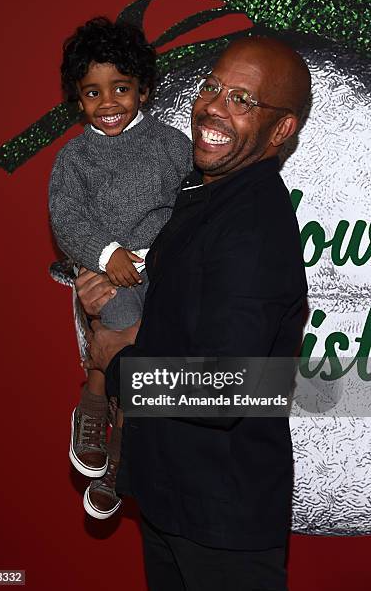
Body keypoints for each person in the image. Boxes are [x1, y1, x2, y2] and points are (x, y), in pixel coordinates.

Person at [76, 36, 311, 590]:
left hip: (220, 524)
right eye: (212, 88)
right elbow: (185, 321)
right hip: (178, 499)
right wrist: (114, 295)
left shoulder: (251, 225)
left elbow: (229, 388)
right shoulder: (206, 195)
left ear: (281, 131)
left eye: (242, 99)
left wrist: (116, 361)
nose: (212, 106)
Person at [49, 17, 192, 519]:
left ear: (144, 91)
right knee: (121, 326)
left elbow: (192, 208)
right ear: (77, 98)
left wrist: (154, 258)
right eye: (92, 92)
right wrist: (108, 254)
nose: (107, 102)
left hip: (164, 272)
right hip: (107, 275)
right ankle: (92, 402)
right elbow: (66, 218)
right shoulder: (73, 159)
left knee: (148, 373)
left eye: (120, 88)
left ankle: (118, 463)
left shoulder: (172, 145)